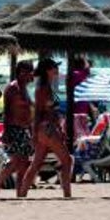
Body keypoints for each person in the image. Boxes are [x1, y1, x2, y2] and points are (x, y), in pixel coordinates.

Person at [18, 58, 73, 199]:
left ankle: (22, 193)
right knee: (67, 160)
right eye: (55, 67)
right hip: (47, 128)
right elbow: (42, 112)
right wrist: (36, 132)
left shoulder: (44, 86)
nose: (57, 69)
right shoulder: (43, 88)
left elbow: (41, 112)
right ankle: (67, 194)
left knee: (37, 163)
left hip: (44, 128)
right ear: (48, 70)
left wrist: (36, 132)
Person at [0, 60, 35, 199]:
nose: (29, 75)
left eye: (30, 72)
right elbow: (7, 112)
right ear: (20, 72)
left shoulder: (25, 88)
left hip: (25, 129)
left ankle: (20, 192)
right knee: (15, 161)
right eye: (27, 72)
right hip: (14, 128)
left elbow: (29, 111)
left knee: (24, 163)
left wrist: (32, 131)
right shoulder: (12, 88)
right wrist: (7, 132)